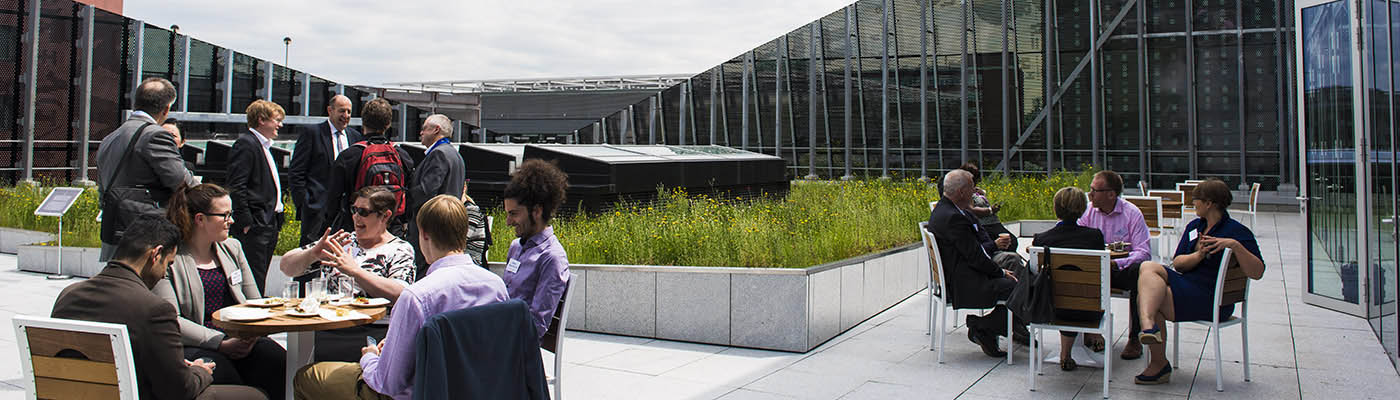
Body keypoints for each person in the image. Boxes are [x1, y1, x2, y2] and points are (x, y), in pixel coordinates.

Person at [293, 195, 509, 400]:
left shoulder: (418, 296)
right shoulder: (496, 287)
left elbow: (388, 383)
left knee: (307, 377)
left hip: (419, 392)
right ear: (465, 233)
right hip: (477, 389)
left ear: (423, 234)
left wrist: (369, 357)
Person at [51, 215, 267, 400]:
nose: (164, 273)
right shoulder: (155, 309)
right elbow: (179, 390)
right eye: (168, 263)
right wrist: (201, 372)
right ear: (155, 255)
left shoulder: (68, 295)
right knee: (255, 396)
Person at [155, 183, 287, 398]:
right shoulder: (170, 260)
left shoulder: (232, 248)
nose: (231, 221)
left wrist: (251, 336)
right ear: (200, 219)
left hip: (240, 339)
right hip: (198, 344)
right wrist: (221, 344)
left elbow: (254, 301)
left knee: (279, 362)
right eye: (224, 215)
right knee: (230, 378)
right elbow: (172, 320)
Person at [1133, 178, 1266, 385]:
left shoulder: (1237, 232)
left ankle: (1158, 362)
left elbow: (1257, 272)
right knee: (1148, 267)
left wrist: (1235, 246)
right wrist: (1199, 255)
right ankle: (1148, 326)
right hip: (1188, 286)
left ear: (1209, 203)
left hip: (1213, 299)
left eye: (1195, 199)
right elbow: (1177, 263)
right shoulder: (1195, 226)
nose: (1192, 203)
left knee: (1149, 297)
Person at [279, 186, 416, 362]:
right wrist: (312, 254)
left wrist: (355, 271)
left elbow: (400, 293)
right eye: (354, 210)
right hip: (327, 326)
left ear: (386, 215)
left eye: (364, 212)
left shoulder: (399, 249)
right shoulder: (342, 241)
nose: (356, 217)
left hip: (371, 331)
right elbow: (286, 267)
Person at [96, 77, 197, 262]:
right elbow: (181, 182)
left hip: (115, 231)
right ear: (166, 109)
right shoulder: (154, 135)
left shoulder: (110, 137)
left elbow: (102, 189)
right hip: (148, 239)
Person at [926, 169, 1025, 357]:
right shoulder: (954, 217)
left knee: (1016, 279)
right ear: (962, 192)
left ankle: (1003, 326)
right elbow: (975, 256)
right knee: (1016, 286)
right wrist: (1001, 273)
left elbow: (974, 252)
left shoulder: (947, 210)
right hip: (963, 283)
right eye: (973, 188)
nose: (976, 192)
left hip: (959, 275)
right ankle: (984, 326)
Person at [1029, 187, 1107, 371]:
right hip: (1090, 311)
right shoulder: (1094, 237)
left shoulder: (1041, 239)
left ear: (1055, 209)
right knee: (1080, 293)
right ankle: (1089, 338)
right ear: (1082, 210)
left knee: (1063, 293)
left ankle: (1066, 353)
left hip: (1051, 309)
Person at [1076, 170, 1150, 359]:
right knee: (1074, 270)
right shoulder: (1088, 211)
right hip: (1095, 269)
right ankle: (1089, 330)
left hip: (1120, 270)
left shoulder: (1131, 213)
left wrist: (1117, 263)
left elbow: (1143, 252)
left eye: (1094, 190)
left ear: (1111, 194)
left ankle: (1135, 337)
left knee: (1139, 273)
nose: (1090, 194)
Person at [502, 159, 571, 341]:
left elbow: (536, 324)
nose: (508, 222)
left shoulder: (552, 258)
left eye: (513, 214)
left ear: (537, 211)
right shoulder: (516, 247)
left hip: (516, 346)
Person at [325, 98, 415, 237]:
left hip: (357, 229)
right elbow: (410, 195)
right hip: (391, 230)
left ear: (363, 121)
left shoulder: (350, 156)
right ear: (388, 124)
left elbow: (332, 199)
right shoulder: (402, 155)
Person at [290, 95, 363, 246]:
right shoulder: (312, 133)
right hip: (317, 210)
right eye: (342, 111)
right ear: (330, 110)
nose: (346, 116)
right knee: (312, 258)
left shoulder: (355, 137)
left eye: (349, 112)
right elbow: (297, 172)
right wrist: (305, 204)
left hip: (346, 212)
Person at [407, 114, 465, 272]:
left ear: (436, 130)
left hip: (431, 230)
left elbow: (426, 191)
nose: (421, 132)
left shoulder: (438, 154)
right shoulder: (456, 155)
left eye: (424, 128)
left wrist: (403, 196)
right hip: (448, 227)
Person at [960, 162, 1014, 241]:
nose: (977, 180)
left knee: (1011, 240)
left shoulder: (976, 190)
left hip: (993, 223)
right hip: (985, 226)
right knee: (1011, 241)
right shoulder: (965, 192)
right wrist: (990, 210)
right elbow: (971, 211)